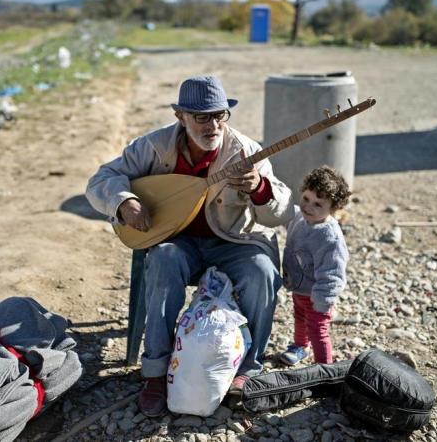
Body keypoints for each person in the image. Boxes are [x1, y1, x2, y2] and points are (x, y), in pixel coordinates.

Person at [86, 75, 294, 417]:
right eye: (201, 117)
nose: (212, 125)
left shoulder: (246, 151)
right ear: (180, 116)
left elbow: (282, 211)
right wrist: (124, 202)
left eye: (219, 115)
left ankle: (247, 371)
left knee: (262, 272)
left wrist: (260, 188)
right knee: (164, 260)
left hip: (233, 240)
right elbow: (100, 181)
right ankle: (155, 372)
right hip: (179, 241)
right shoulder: (153, 146)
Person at [280, 166, 351, 366]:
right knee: (299, 318)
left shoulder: (329, 237)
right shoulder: (299, 218)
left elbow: (333, 274)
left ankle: (324, 366)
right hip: (299, 287)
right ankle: (300, 346)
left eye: (318, 204)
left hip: (318, 295)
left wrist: (323, 301)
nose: (308, 206)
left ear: (333, 209)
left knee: (318, 330)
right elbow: (284, 214)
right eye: (306, 199)